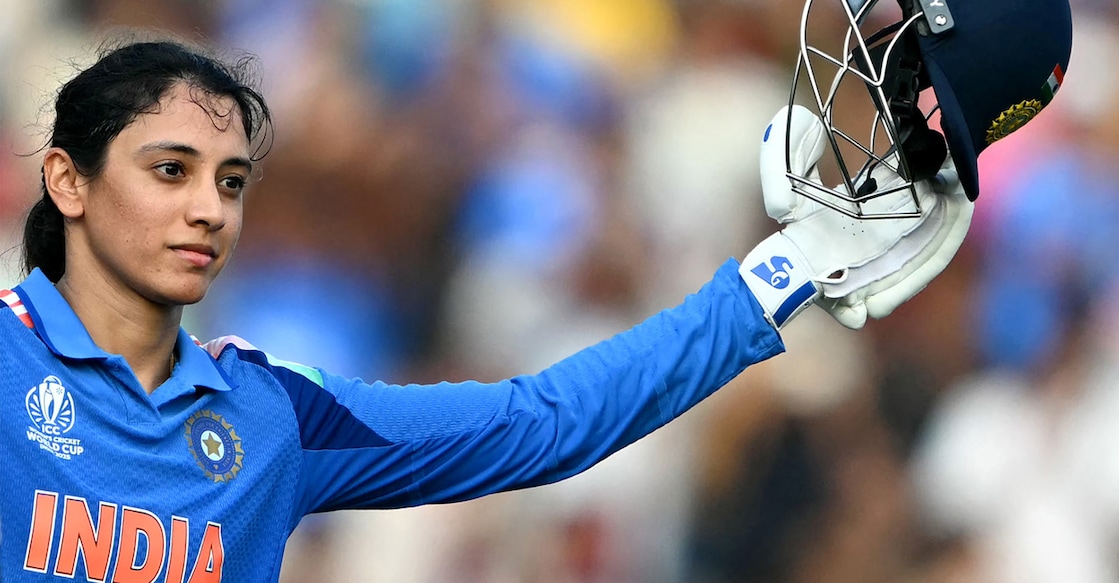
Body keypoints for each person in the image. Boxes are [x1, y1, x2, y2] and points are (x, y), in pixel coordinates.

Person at [0, 0, 1071, 579]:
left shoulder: (270, 417)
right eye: (171, 172)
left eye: (230, 182)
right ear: (69, 180)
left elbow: (545, 422)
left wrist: (770, 280)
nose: (208, 212)